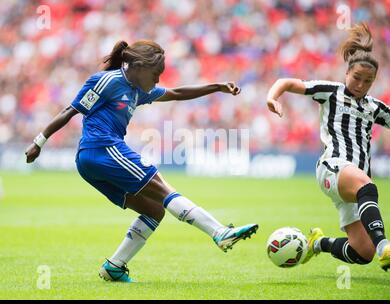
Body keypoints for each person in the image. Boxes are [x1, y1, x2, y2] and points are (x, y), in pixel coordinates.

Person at [25, 40, 258, 282]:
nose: (157, 81)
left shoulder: (140, 90)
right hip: (102, 149)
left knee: (154, 209)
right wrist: (39, 142)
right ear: (137, 66)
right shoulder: (107, 81)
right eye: (156, 75)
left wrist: (217, 87)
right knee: (161, 186)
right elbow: (69, 111)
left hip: (92, 160)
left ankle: (114, 266)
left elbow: (176, 93)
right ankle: (219, 232)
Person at [266, 23, 390, 271]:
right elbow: (287, 82)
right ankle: (384, 247)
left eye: (368, 81)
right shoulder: (331, 92)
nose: (361, 85)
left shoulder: (375, 108)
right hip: (333, 168)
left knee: (361, 252)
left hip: (353, 186)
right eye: (356, 78)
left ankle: (318, 243)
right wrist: (272, 97)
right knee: (366, 185)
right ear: (346, 74)